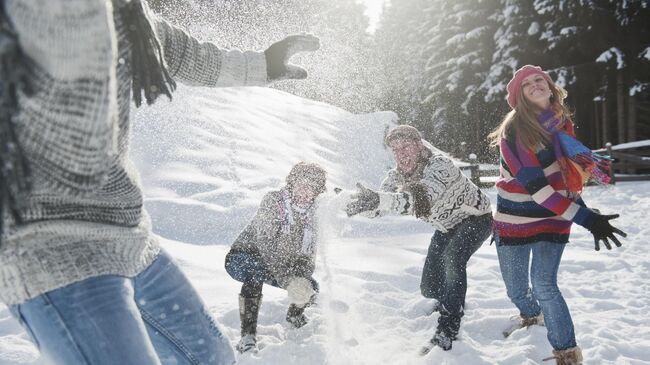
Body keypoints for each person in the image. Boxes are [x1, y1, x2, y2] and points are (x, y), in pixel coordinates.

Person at [0, 1, 319, 364]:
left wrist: (261, 64)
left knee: (211, 356)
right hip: (51, 251)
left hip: (128, 237)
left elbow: (182, 53)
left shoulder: (124, 9)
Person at [488, 65, 627, 365]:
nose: (535, 85)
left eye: (540, 80)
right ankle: (530, 315)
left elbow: (563, 181)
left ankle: (567, 354)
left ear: (550, 87)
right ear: (520, 96)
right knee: (516, 289)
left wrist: (584, 211)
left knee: (544, 284)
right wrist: (587, 219)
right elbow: (539, 191)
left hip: (554, 217)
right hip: (514, 218)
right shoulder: (514, 131)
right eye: (527, 85)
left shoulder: (561, 124)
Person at [345, 125, 493, 352]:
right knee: (430, 287)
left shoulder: (440, 165)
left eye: (405, 146)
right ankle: (448, 300)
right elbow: (381, 206)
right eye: (395, 150)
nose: (401, 154)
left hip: (476, 219)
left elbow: (417, 200)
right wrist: (355, 202)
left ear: (419, 145)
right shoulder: (395, 176)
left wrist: (379, 200)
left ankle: (448, 328)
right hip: (446, 227)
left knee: (454, 259)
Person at [224, 162, 327, 354]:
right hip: (243, 258)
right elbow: (266, 246)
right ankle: (247, 336)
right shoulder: (274, 201)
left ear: (317, 192)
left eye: (311, 187)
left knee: (310, 286)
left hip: (278, 266)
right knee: (255, 271)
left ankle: (294, 318)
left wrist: (301, 281)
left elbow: (307, 256)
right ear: (292, 182)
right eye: (301, 183)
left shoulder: (314, 215)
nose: (304, 190)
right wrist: (288, 280)